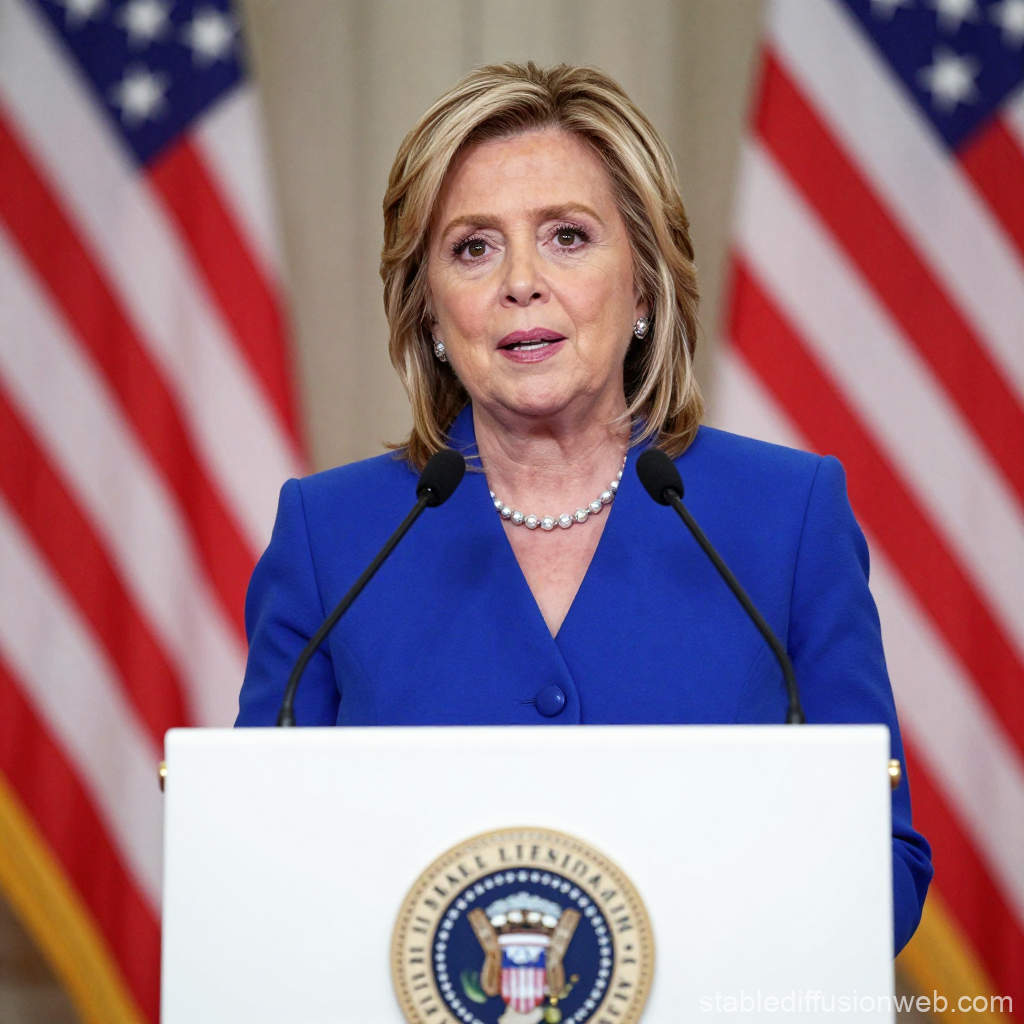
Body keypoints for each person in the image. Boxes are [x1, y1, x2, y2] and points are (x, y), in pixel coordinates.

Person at [236, 62, 931, 953]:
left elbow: (882, 867)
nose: (522, 281)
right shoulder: (330, 536)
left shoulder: (787, 519)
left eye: (567, 236)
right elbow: (253, 859)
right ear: (430, 312)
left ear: (643, 284)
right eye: (473, 248)